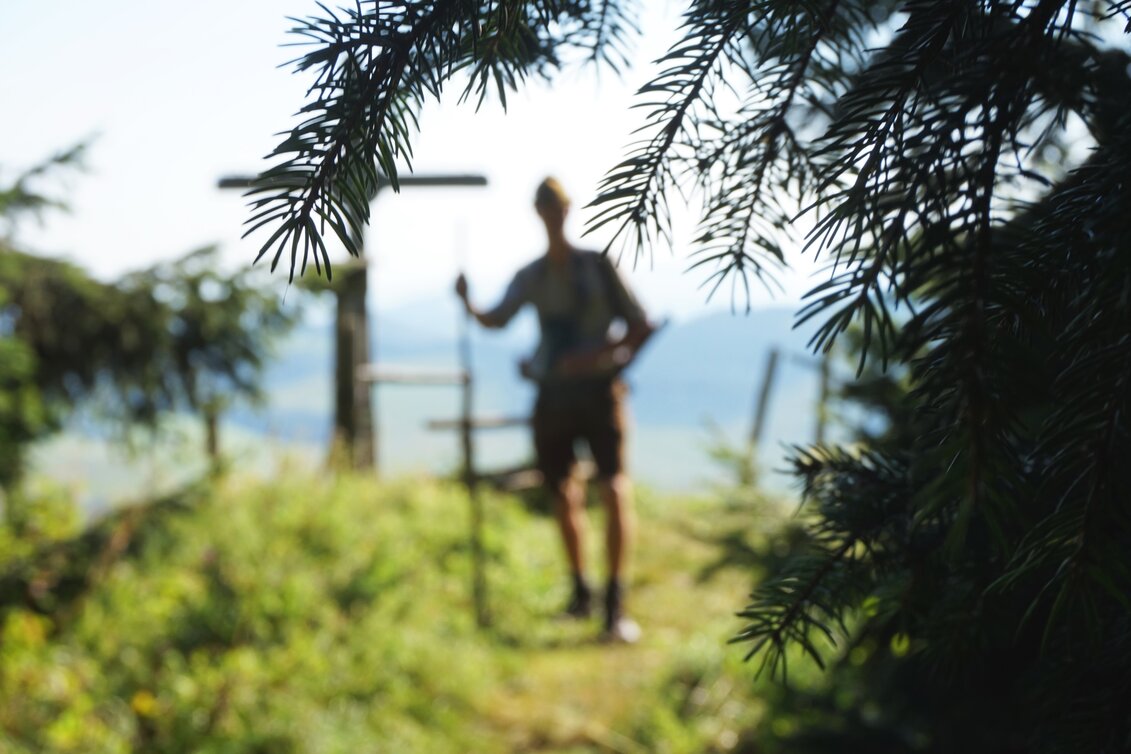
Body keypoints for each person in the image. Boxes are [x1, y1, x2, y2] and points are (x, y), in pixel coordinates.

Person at [455, 177, 656, 642]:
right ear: (540, 213)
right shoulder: (534, 276)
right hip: (553, 397)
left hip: (601, 393)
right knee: (562, 493)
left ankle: (615, 602)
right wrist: (467, 302)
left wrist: (593, 358)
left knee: (613, 489)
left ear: (565, 211)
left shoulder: (599, 266)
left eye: (555, 208)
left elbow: (640, 324)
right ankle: (582, 593)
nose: (551, 215)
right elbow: (496, 319)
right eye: (544, 208)